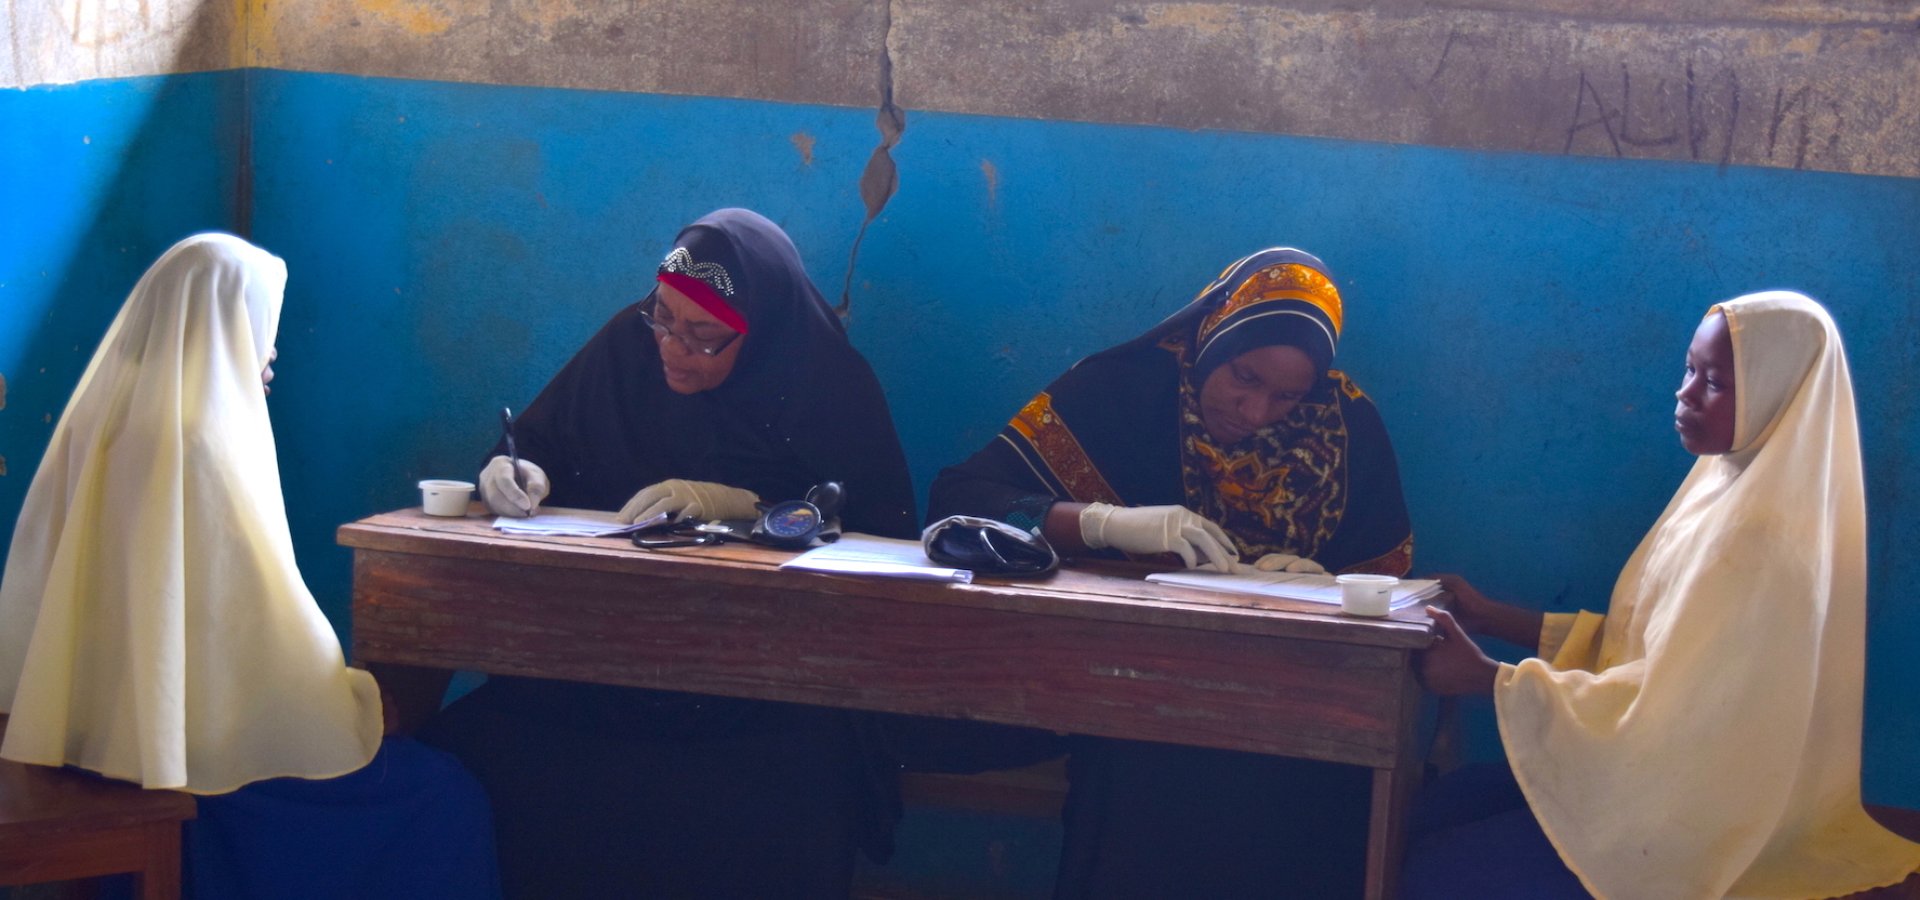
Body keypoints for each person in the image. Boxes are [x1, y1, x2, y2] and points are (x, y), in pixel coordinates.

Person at [423, 208, 920, 898]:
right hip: (602, 662)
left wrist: (751, 509)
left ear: (760, 329)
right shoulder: (627, 347)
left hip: (765, 687)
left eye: (704, 336)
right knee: (473, 754)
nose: (673, 348)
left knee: (793, 785)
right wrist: (515, 471)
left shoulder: (825, 384)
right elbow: (536, 440)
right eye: (663, 318)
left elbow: (884, 537)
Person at [0, 233, 499, 899]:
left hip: (91, 729)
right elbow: (251, 635)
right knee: (444, 795)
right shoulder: (204, 442)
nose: (270, 351)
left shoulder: (104, 422)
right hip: (188, 749)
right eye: (262, 325)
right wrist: (350, 699)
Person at [926, 247, 1413, 898]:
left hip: (1289, 697)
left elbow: (1390, 583)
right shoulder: (1121, 391)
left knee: (1323, 780)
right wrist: (1098, 523)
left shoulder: (1345, 427)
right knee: (1154, 766)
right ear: (1215, 338)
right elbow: (961, 502)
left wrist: (1323, 584)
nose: (1255, 411)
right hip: (1131, 685)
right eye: (1244, 377)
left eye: (1286, 397)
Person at [1409, 291, 1920, 898]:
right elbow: (1641, 643)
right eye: (1689, 369)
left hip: (1693, 816)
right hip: (1647, 779)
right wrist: (1494, 618)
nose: (1684, 393)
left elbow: (1668, 710)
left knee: (1432, 867)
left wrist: (1489, 679)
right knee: (1438, 809)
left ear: (1778, 395)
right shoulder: (1722, 485)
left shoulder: (1767, 544)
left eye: (1715, 382)